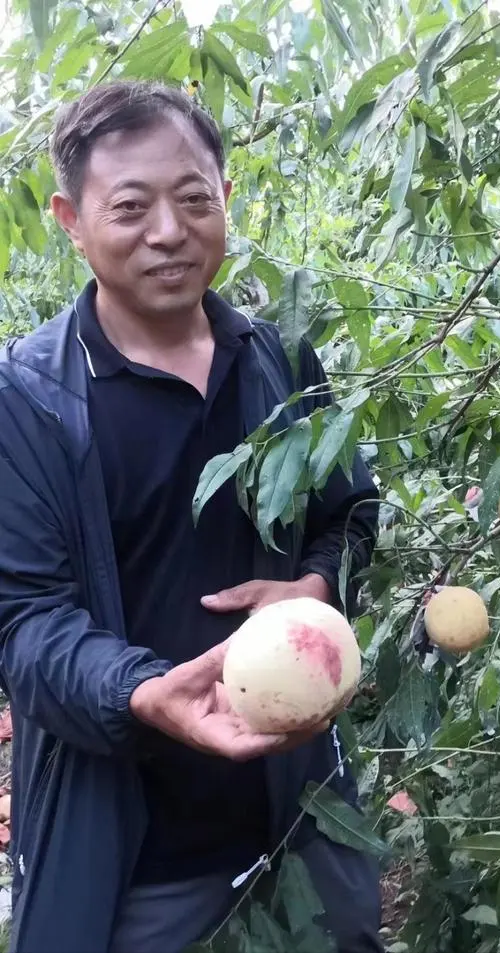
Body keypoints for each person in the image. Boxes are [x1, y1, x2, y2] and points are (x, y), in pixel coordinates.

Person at [0, 79, 382, 953]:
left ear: (226, 199)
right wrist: (141, 690)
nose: (168, 231)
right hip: (131, 850)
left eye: (193, 199)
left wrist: (313, 587)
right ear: (69, 217)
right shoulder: (27, 401)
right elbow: (24, 622)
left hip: (301, 809)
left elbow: (351, 511)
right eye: (130, 206)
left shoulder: (280, 358)